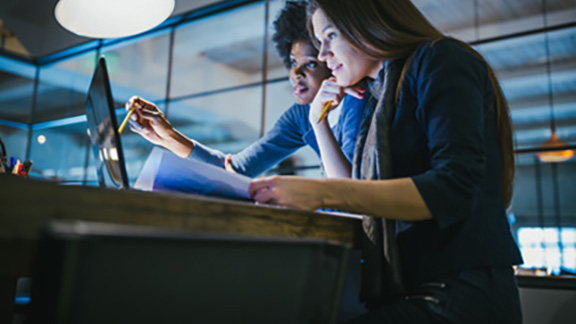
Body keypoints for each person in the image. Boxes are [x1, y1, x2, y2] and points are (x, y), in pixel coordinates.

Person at [249, 0, 523, 323]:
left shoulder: (440, 59)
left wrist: (322, 193)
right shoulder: (378, 96)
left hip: (460, 291)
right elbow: (357, 198)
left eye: (330, 36)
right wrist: (318, 123)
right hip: (418, 289)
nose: (323, 55)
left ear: (366, 21)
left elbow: (454, 186)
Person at [127, 0, 365, 178]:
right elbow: (235, 170)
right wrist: (166, 135)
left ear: (332, 61)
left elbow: (352, 190)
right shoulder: (301, 115)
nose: (296, 74)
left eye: (311, 64)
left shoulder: (359, 99)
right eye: (293, 63)